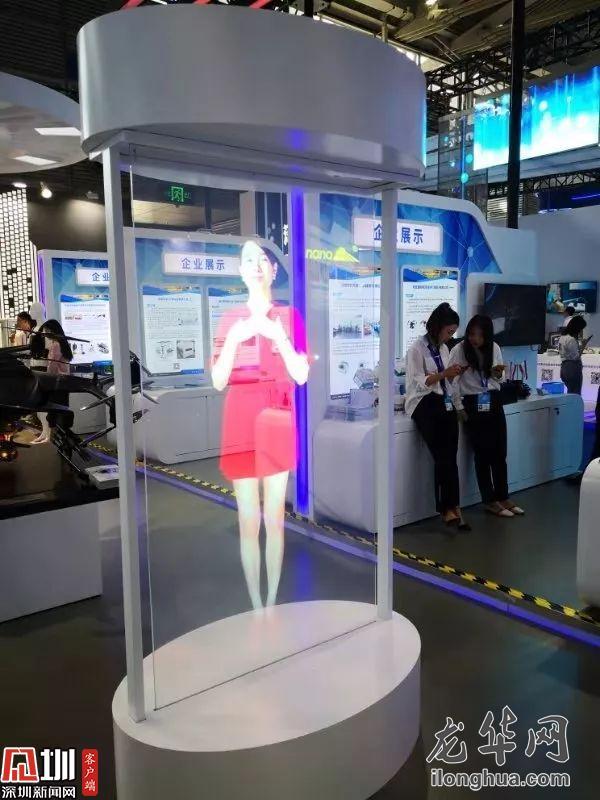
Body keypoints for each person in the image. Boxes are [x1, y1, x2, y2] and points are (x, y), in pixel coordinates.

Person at [212, 241, 309, 609]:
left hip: (277, 417)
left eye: (263, 260)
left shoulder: (289, 317)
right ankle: (256, 605)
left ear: (273, 270)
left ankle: (271, 601)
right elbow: (218, 380)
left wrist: (278, 336)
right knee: (248, 520)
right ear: (240, 270)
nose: (256, 265)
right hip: (240, 418)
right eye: (248, 260)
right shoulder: (229, 320)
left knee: (275, 517)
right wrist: (235, 341)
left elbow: (301, 374)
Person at [449, 315, 524, 518]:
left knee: (500, 452)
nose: (475, 339)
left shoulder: (494, 347)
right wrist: (458, 406)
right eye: (472, 334)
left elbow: (500, 378)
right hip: (472, 402)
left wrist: (498, 374)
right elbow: (452, 381)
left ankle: (503, 496)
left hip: (493, 399)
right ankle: (489, 500)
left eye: (480, 335)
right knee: (482, 454)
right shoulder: (459, 350)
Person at [405, 302, 469, 529]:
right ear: (438, 327)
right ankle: (446, 508)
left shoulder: (443, 349)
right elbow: (420, 381)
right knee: (442, 455)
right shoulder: (416, 349)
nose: (451, 336)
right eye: (449, 332)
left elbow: (446, 382)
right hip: (423, 403)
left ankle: (454, 506)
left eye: (453, 333)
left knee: (451, 454)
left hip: (443, 400)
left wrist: (453, 381)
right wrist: (444, 374)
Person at [31, 319, 73, 444]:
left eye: (47, 331)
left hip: (56, 382)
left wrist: (46, 379)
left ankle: (55, 437)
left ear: (52, 331)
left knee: (53, 410)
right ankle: (62, 438)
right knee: (62, 409)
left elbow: (52, 366)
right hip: (64, 382)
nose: (45, 334)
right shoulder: (64, 343)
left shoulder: (55, 345)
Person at [559, 316, 590, 395]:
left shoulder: (562, 337)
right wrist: (583, 346)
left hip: (564, 367)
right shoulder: (571, 339)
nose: (581, 331)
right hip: (572, 368)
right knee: (575, 394)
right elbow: (576, 357)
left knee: (570, 392)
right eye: (581, 329)